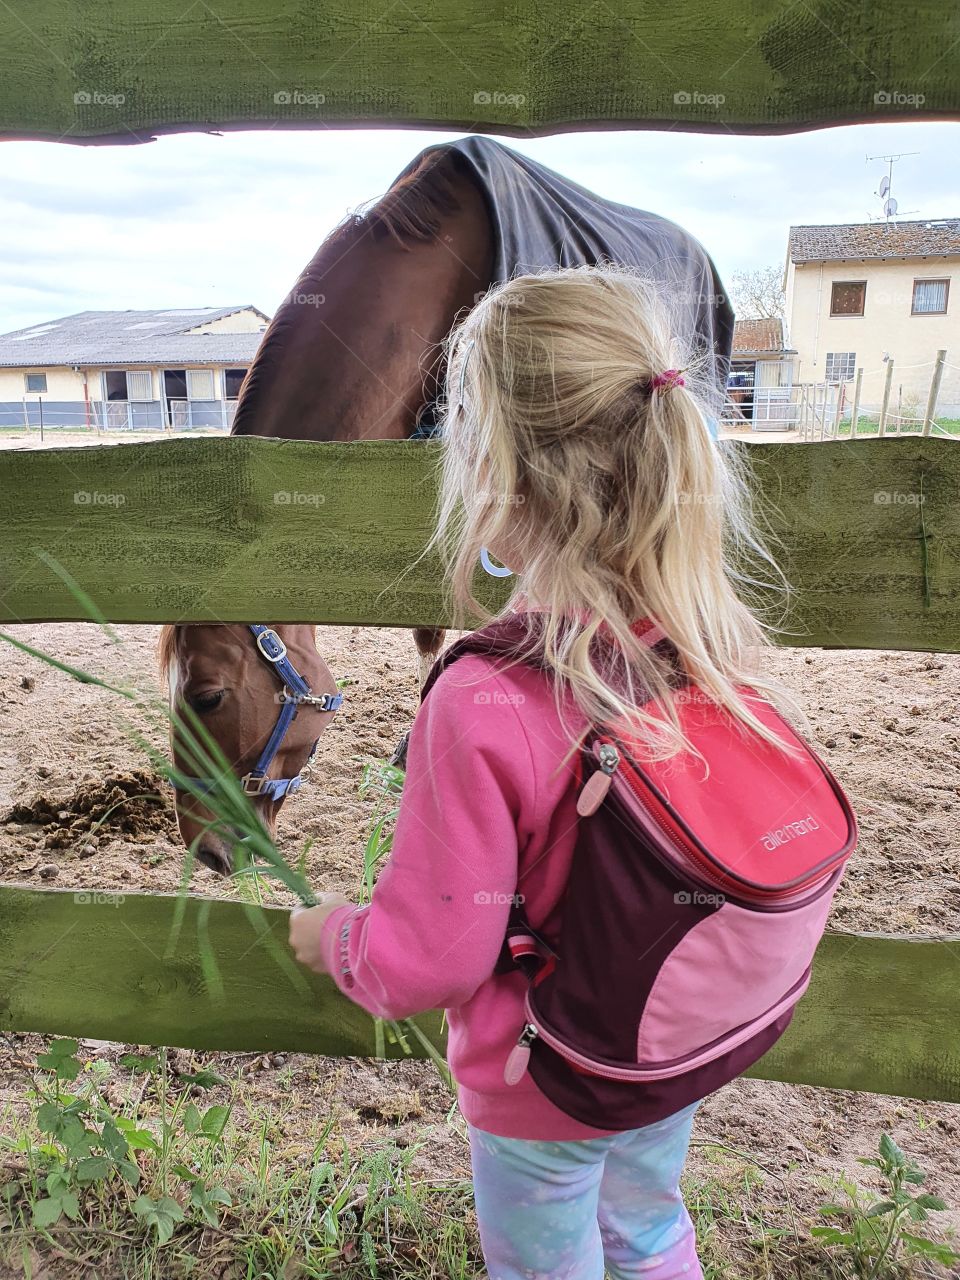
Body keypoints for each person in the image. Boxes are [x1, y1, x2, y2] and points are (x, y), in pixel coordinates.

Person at [290, 265, 798, 1280]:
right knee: (646, 1227)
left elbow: (432, 958)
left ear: (494, 470)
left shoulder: (483, 698)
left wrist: (338, 938)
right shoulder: (707, 643)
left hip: (546, 1081)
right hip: (668, 1047)